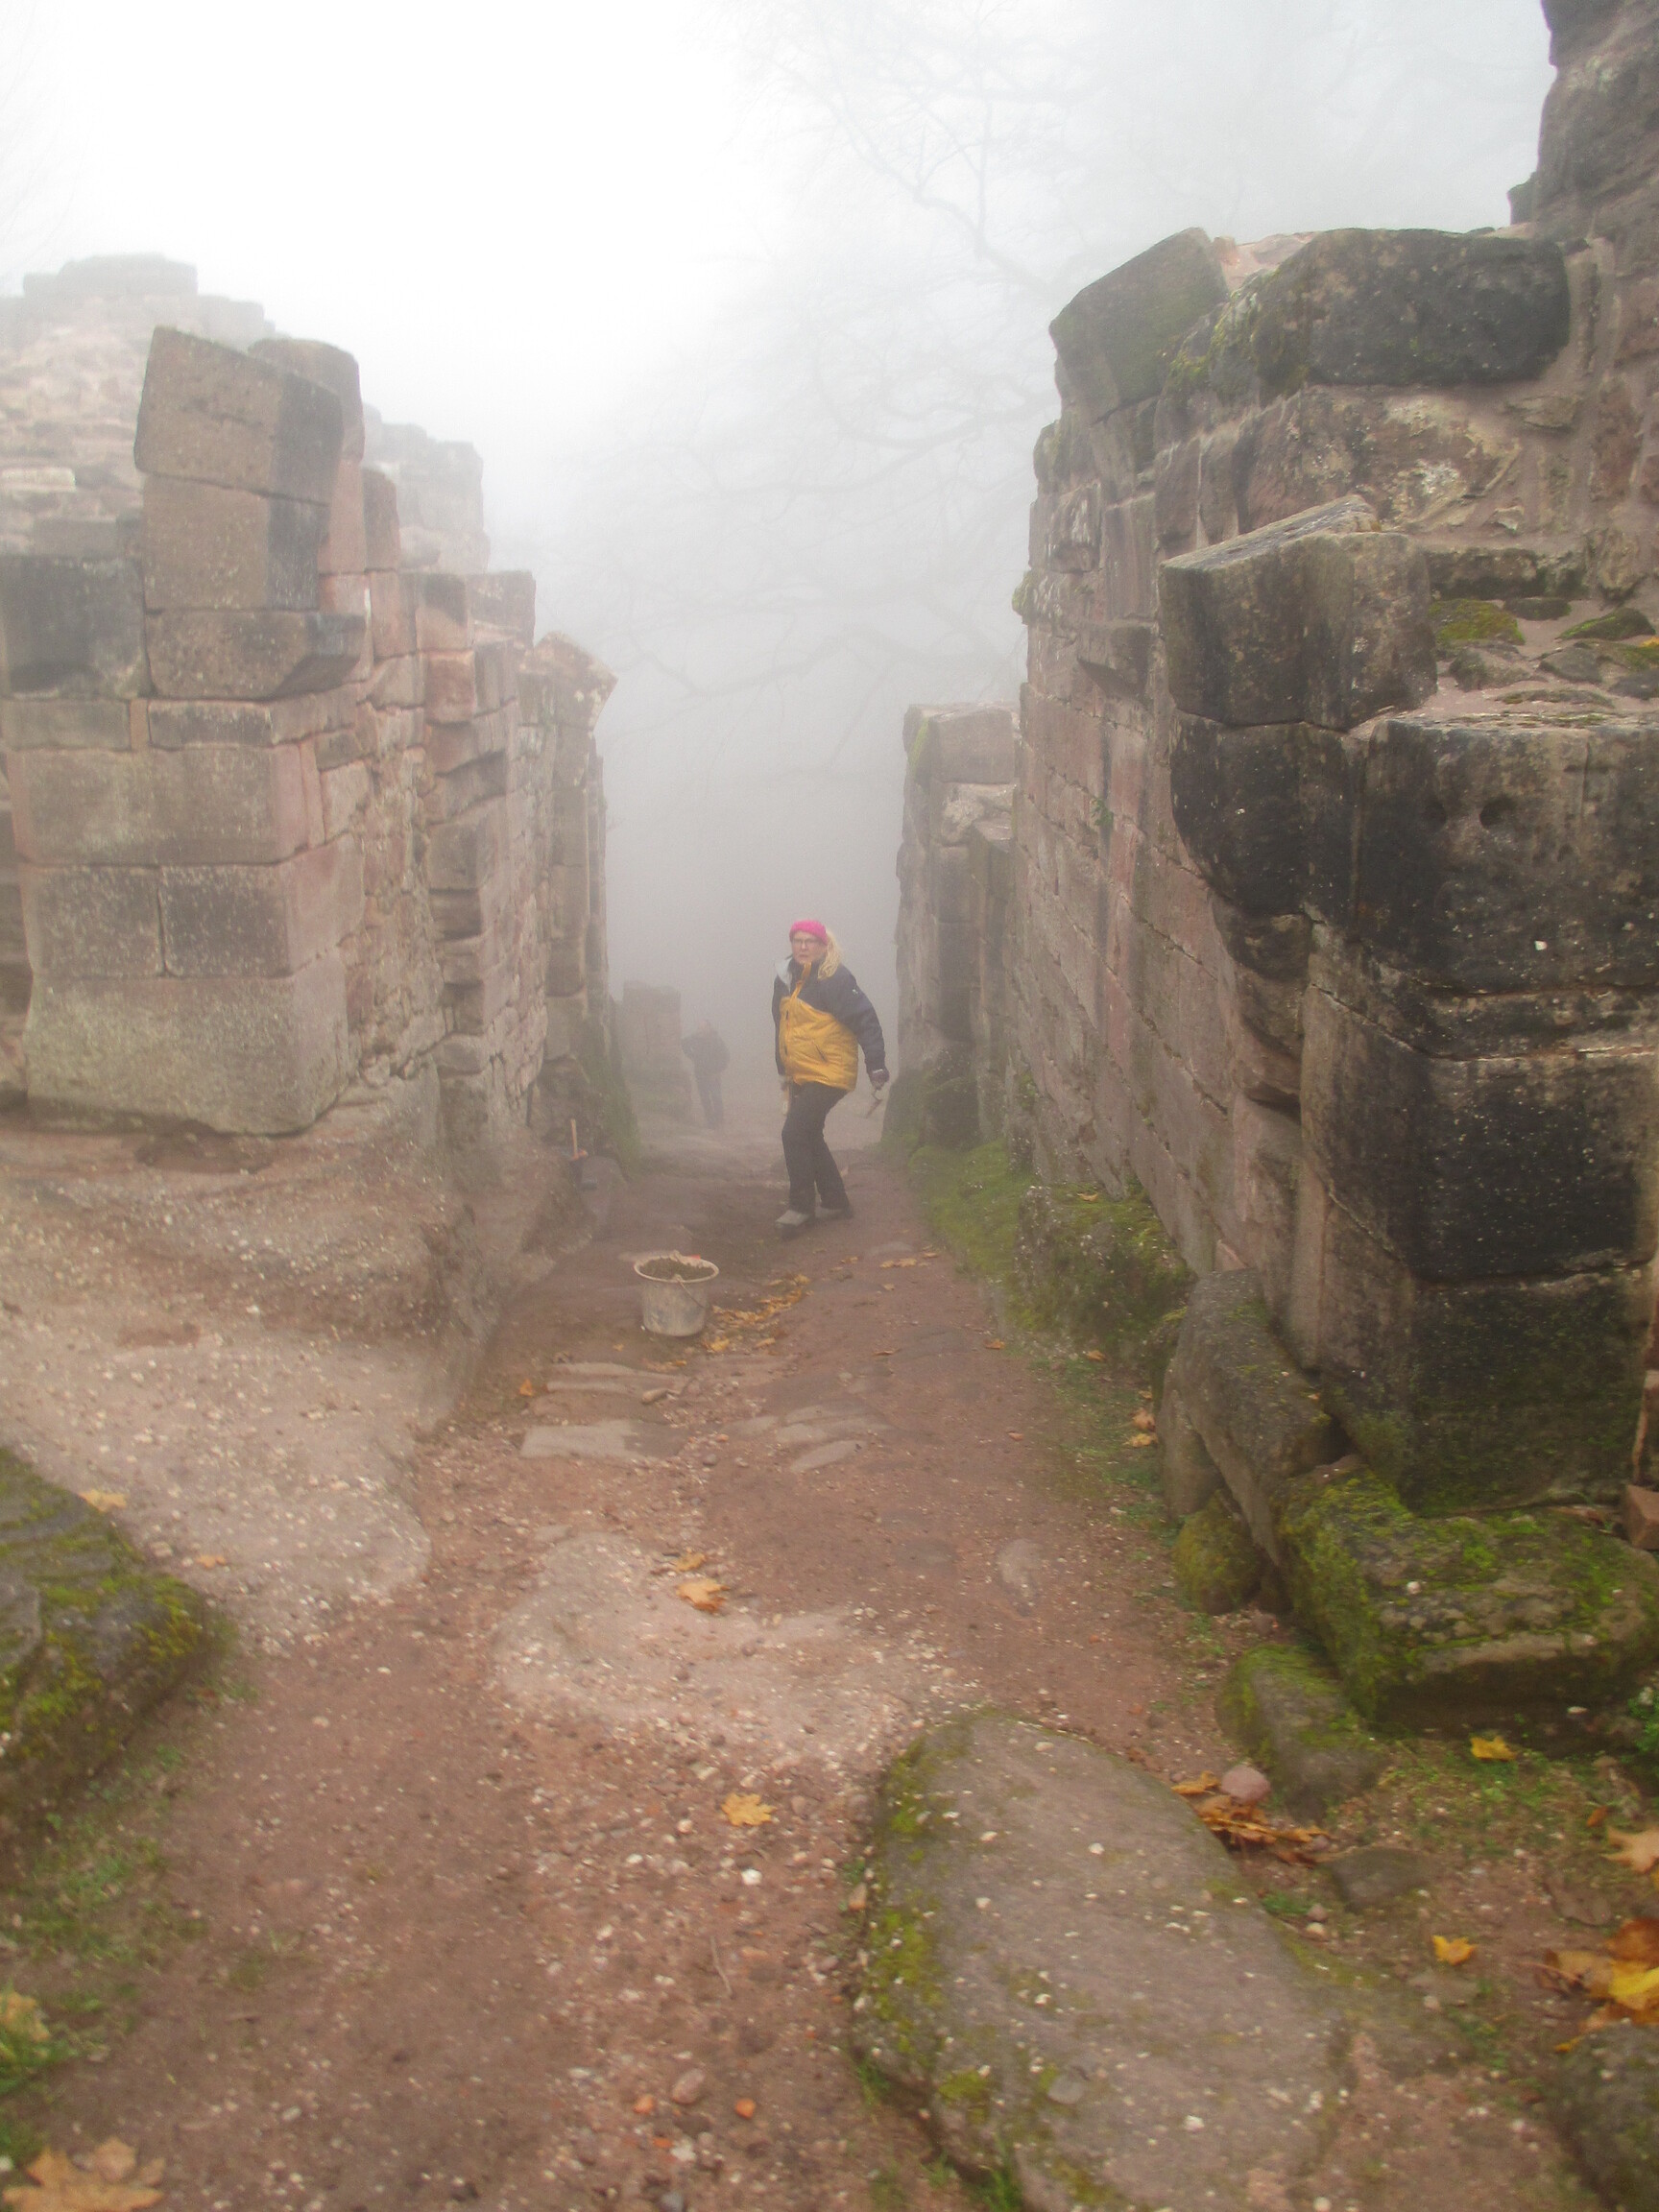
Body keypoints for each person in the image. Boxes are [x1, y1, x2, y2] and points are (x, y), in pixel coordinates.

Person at [771, 919, 888, 1238]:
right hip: (802, 1071)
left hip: (830, 1072)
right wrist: (783, 1067)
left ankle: (801, 1208)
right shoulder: (785, 979)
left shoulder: (835, 978)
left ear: (823, 946)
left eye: (810, 941)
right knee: (809, 1134)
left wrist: (876, 1064)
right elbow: (782, 1025)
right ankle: (836, 1201)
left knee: (794, 1133)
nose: (803, 946)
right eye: (797, 940)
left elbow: (866, 1019)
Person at [682, 1018, 729, 1128]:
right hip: (700, 1073)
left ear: (709, 1027)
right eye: (699, 1028)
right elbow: (684, 1043)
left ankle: (719, 1119)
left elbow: (725, 1057)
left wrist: (717, 1070)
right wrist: (692, 1056)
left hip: (713, 1074)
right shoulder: (696, 1039)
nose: (701, 1030)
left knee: (716, 1097)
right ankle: (710, 1120)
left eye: (703, 1027)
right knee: (704, 1097)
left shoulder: (716, 1040)